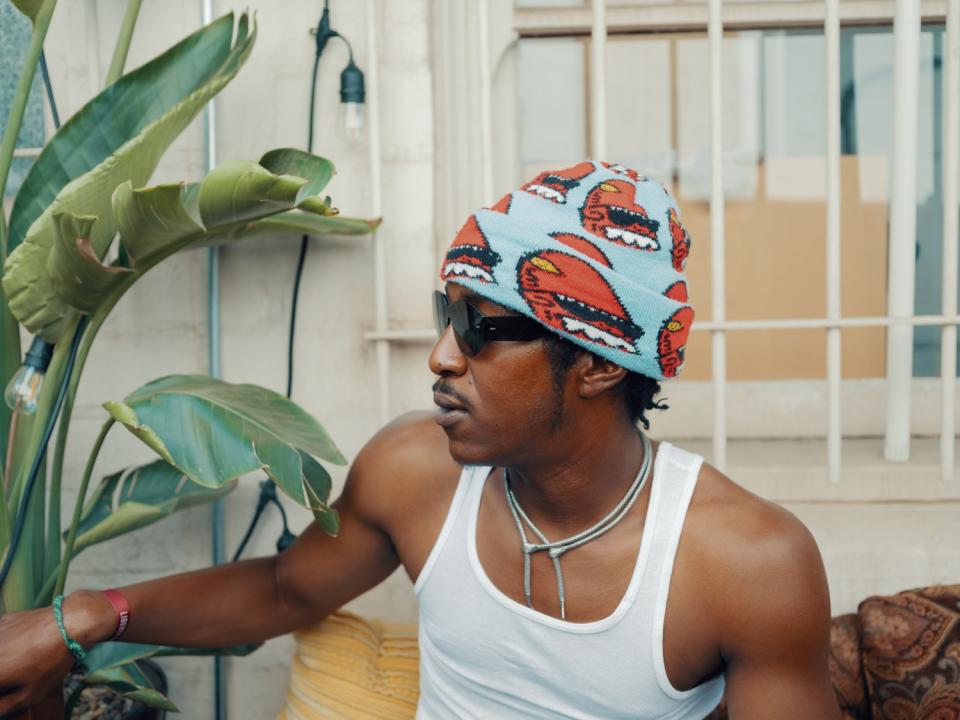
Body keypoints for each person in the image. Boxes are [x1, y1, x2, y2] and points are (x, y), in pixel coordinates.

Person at [0, 161, 840, 719]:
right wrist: (90, 615)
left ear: (596, 366)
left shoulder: (747, 563)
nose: (442, 355)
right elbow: (289, 592)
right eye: (448, 315)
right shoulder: (416, 470)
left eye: (482, 328)